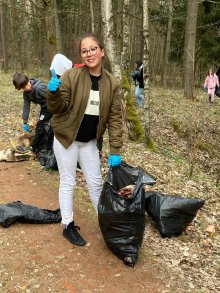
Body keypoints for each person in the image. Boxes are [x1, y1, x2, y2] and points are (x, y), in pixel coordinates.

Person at [46, 33, 123, 246]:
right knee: (68, 181)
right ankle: (67, 225)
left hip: (89, 142)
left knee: (96, 184)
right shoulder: (72, 76)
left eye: (93, 49)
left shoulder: (112, 83)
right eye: (84, 50)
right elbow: (57, 108)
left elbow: (115, 117)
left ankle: (107, 224)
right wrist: (52, 93)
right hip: (66, 139)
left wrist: (115, 149)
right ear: (81, 55)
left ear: (102, 51)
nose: (89, 53)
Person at [12, 73, 52, 152]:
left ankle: (33, 147)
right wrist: (25, 122)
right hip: (44, 108)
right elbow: (26, 107)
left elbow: (53, 98)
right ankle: (40, 146)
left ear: (28, 80)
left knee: (40, 125)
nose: (27, 87)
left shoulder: (39, 88)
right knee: (41, 126)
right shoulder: (26, 94)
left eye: (27, 84)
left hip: (52, 106)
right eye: (23, 87)